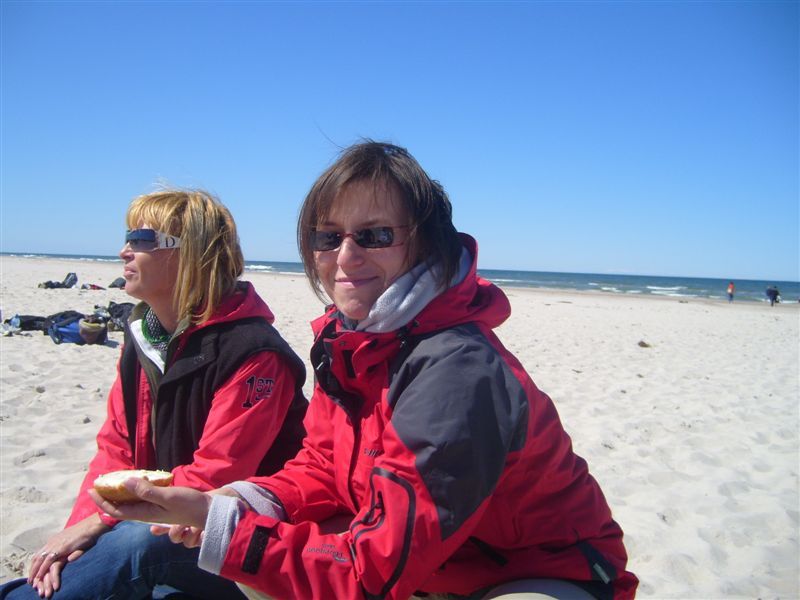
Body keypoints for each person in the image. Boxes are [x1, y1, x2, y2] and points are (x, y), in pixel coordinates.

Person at [89, 143, 638, 599]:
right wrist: (234, 502)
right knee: (244, 554)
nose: (345, 257)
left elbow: (373, 572)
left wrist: (224, 528)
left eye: (374, 235)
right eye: (328, 237)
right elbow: (322, 466)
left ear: (425, 244)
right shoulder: (350, 344)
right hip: (427, 567)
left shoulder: (457, 371)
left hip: (531, 571)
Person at [0, 190, 308, 599]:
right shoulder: (144, 338)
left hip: (240, 541)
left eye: (141, 239)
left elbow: (216, 476)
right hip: (166, 523)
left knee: (137, 547)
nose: (124, 251)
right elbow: (116, 450)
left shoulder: (253, 353)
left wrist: (101, 523)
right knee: (99, 560)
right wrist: (79, 530)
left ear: (191, 255)